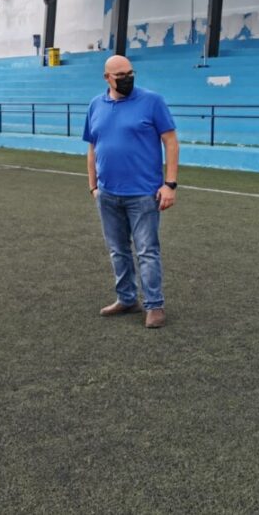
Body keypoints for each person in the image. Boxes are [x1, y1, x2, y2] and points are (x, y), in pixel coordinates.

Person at [83, 55, 179, 329]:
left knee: (147, 250)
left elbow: (170, 142)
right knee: (118, 250)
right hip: (108, 194)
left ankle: (154, 305)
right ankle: (126, 299)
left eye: (130, 73)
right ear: (107, 78)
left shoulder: (152, 101)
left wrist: (169, 184)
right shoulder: (95, 105)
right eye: (120, 75)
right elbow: (93, 147)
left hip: (144, 194)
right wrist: (93, 186)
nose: (127, 78)